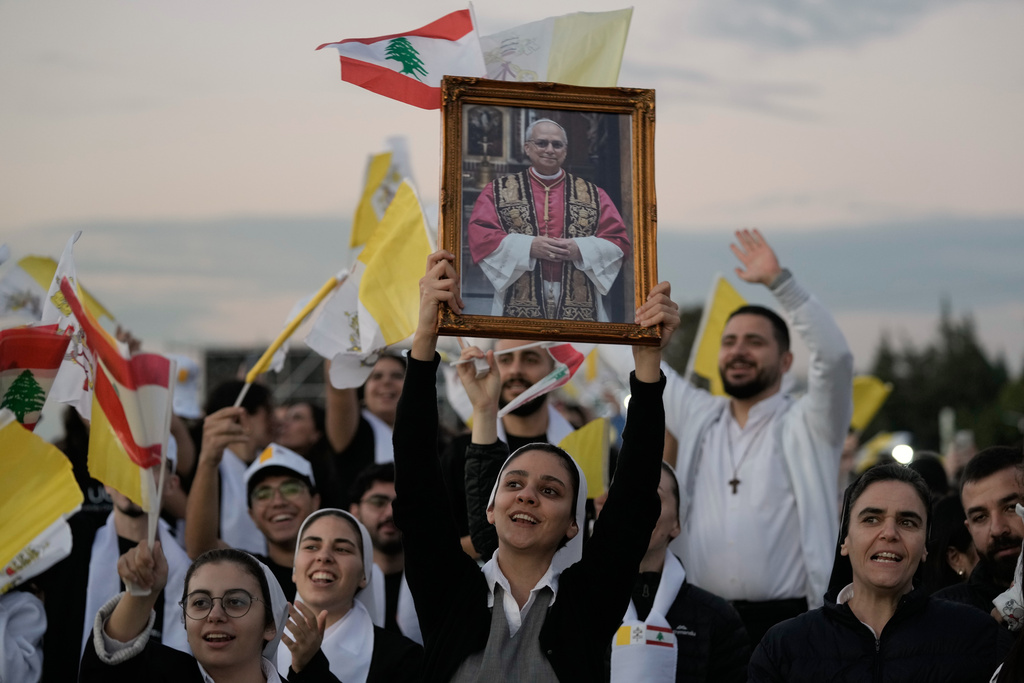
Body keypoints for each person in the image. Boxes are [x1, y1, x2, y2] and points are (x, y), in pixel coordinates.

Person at [393, 249, 676, 681]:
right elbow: (415, 476)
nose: (527, 495)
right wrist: (426, 336)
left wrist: (649, 367)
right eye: (514, 484)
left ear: (572, 524)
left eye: (550, 491)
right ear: (489, 509)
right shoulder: (448, 591)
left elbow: (636, 494)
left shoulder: (589, 602)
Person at [665, 229, 854, 643]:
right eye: (729, 342)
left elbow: (836, 357)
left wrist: (780, 284)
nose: (738, 351)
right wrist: (647, 339)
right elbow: (633, 363)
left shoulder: (811, 423)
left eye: (754, 342)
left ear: (786, 360)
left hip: (789, 624)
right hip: (701, 622)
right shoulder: (699, 414)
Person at [749, 464, 1009, 681]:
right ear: (845, 541)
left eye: (907, 522)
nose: (889, 533)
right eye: (871, 519)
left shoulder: (977, 636)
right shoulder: (783, 647)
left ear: (925, 549)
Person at [79, 543, 338, 682]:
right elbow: (109, 670)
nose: (215, 615)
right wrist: (140, 595)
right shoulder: (157, 676)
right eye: (200, 603)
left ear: (270, 624)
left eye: (236, 602)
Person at [467, 118, 631, 322]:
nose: (550, 149)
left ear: (565, 150)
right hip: (518, 292)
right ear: (527, 148)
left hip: (580, 295)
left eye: (557, 144)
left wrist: (580, 249)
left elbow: (619, 242)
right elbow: (480, 235)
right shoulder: (498, 190)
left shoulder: (594, 195)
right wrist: (528, 247)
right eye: (542, 143)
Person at [441, 338, 576, 558]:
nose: (516, 370)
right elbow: (436, 543)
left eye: (531, 359)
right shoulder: (460, 452)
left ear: (553, 369)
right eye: (505, 360)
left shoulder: (584, 445)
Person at [277, 509, 422, 682]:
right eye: (311, 547)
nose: (323, 556)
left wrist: (311, 667)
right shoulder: (261, 642)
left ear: (364, 575)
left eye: (342, 549)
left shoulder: (402, 657)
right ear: (294, 569)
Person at [186, 443, 321, 600]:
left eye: (291, 489)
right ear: (252, 515)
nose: (278, 501)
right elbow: (201, 548)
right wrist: (208, 462)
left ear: (315, 502)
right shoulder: (248, 572)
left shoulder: (341, 566)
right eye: (263, 494)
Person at [935, 446, 1024, 615]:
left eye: (1011, 508)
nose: (997, 529)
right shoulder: (945, 617)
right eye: (980, 517)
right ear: (969, 528)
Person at [348, 463, 420, 640]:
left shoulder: (437, 582)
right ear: (355, 511)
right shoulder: (342, 582)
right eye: (378, 502)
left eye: (401, 503)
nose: (390, 512)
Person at [322, 355, 406, 507]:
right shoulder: (352, 429)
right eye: (376, 376)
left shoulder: (433, 434)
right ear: (363, 387)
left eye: (397, 376)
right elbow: (338, 385)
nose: (386, 382)